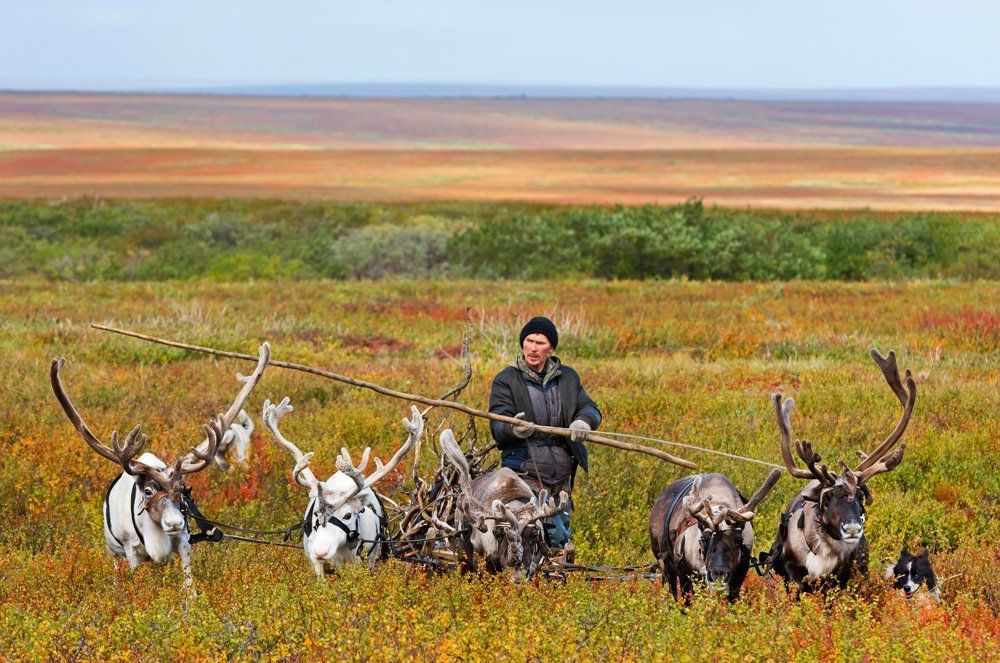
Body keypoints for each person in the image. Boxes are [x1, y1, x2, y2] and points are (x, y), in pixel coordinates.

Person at [488, 316, 601, 561]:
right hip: (524, 471)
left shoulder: (568, 378)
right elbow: (497, 424)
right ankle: (528, 574)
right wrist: (512, 430)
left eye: (540, 342)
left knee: (561, 530)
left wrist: (584, 421)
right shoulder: (506, 380)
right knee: (540, 530)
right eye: (528, 341)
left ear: (550, 347)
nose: (533, 347)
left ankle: (552, 581)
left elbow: (590, 408)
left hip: (561, 473)